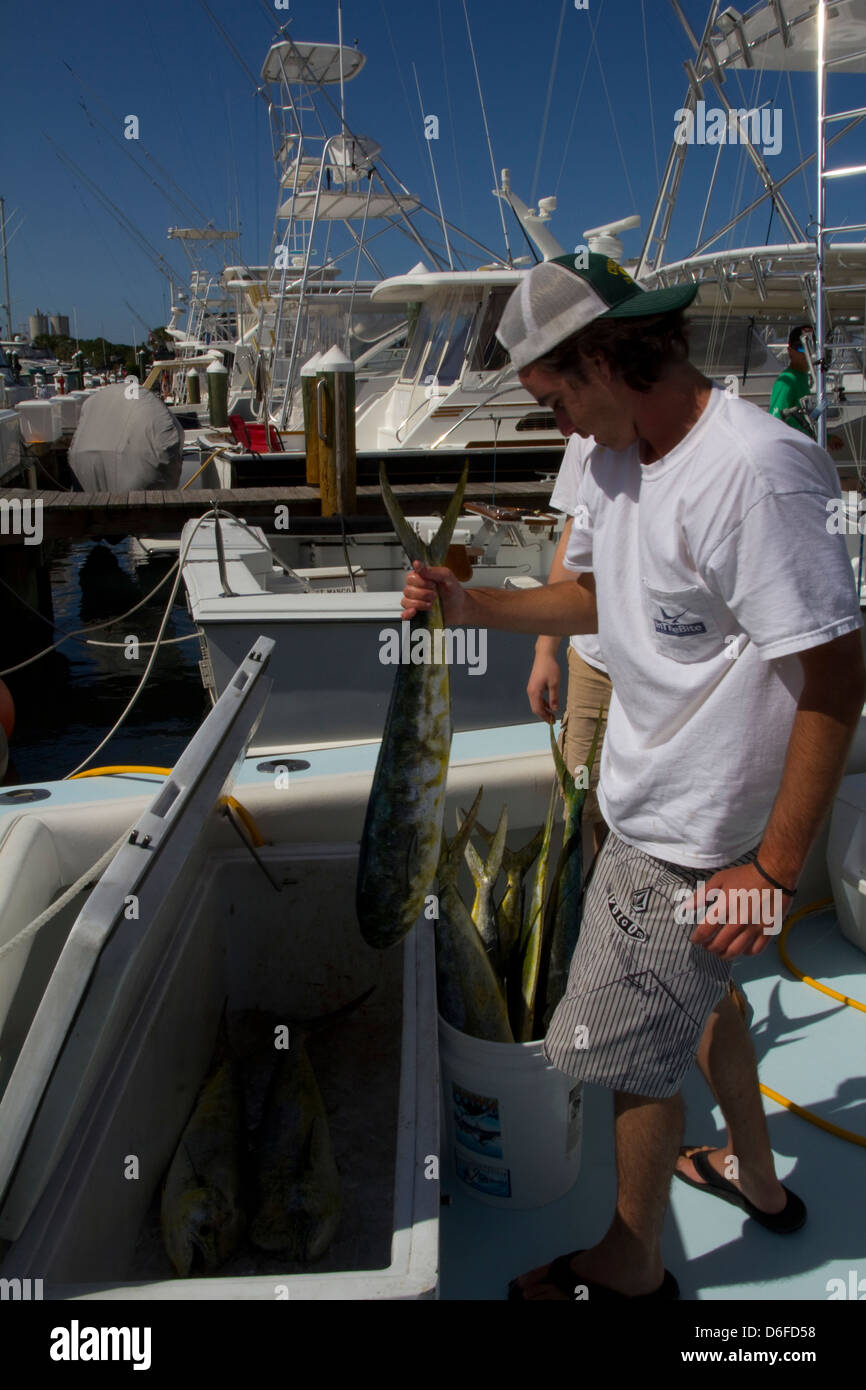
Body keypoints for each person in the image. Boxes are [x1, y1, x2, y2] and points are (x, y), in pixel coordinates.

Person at [401, 252, 865, 1301]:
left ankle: (628, 1264)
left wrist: (773, 867)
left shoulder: (752, 471)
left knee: (631, 1058)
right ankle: (755, 1176)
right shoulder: (613, 455)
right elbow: (591, 598)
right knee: (694, 1013)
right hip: (635, 797)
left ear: (607, 357)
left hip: (696, 839)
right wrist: (471, 609)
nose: (555, 422)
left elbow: (836, 675)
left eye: (555, 395)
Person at [527, 431, 612, 853]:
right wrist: (546, 650)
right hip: (593, 667)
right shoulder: (585, 436)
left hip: (664, 675)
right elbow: (571, 537)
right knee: (586, 802)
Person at [768, 324, 814, 436]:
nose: (807, 352)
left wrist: (827, 437)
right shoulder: (787, 380)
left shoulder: (802, 377)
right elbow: (775, 421)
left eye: (812, 346)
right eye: (801, 347)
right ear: (790, 350)